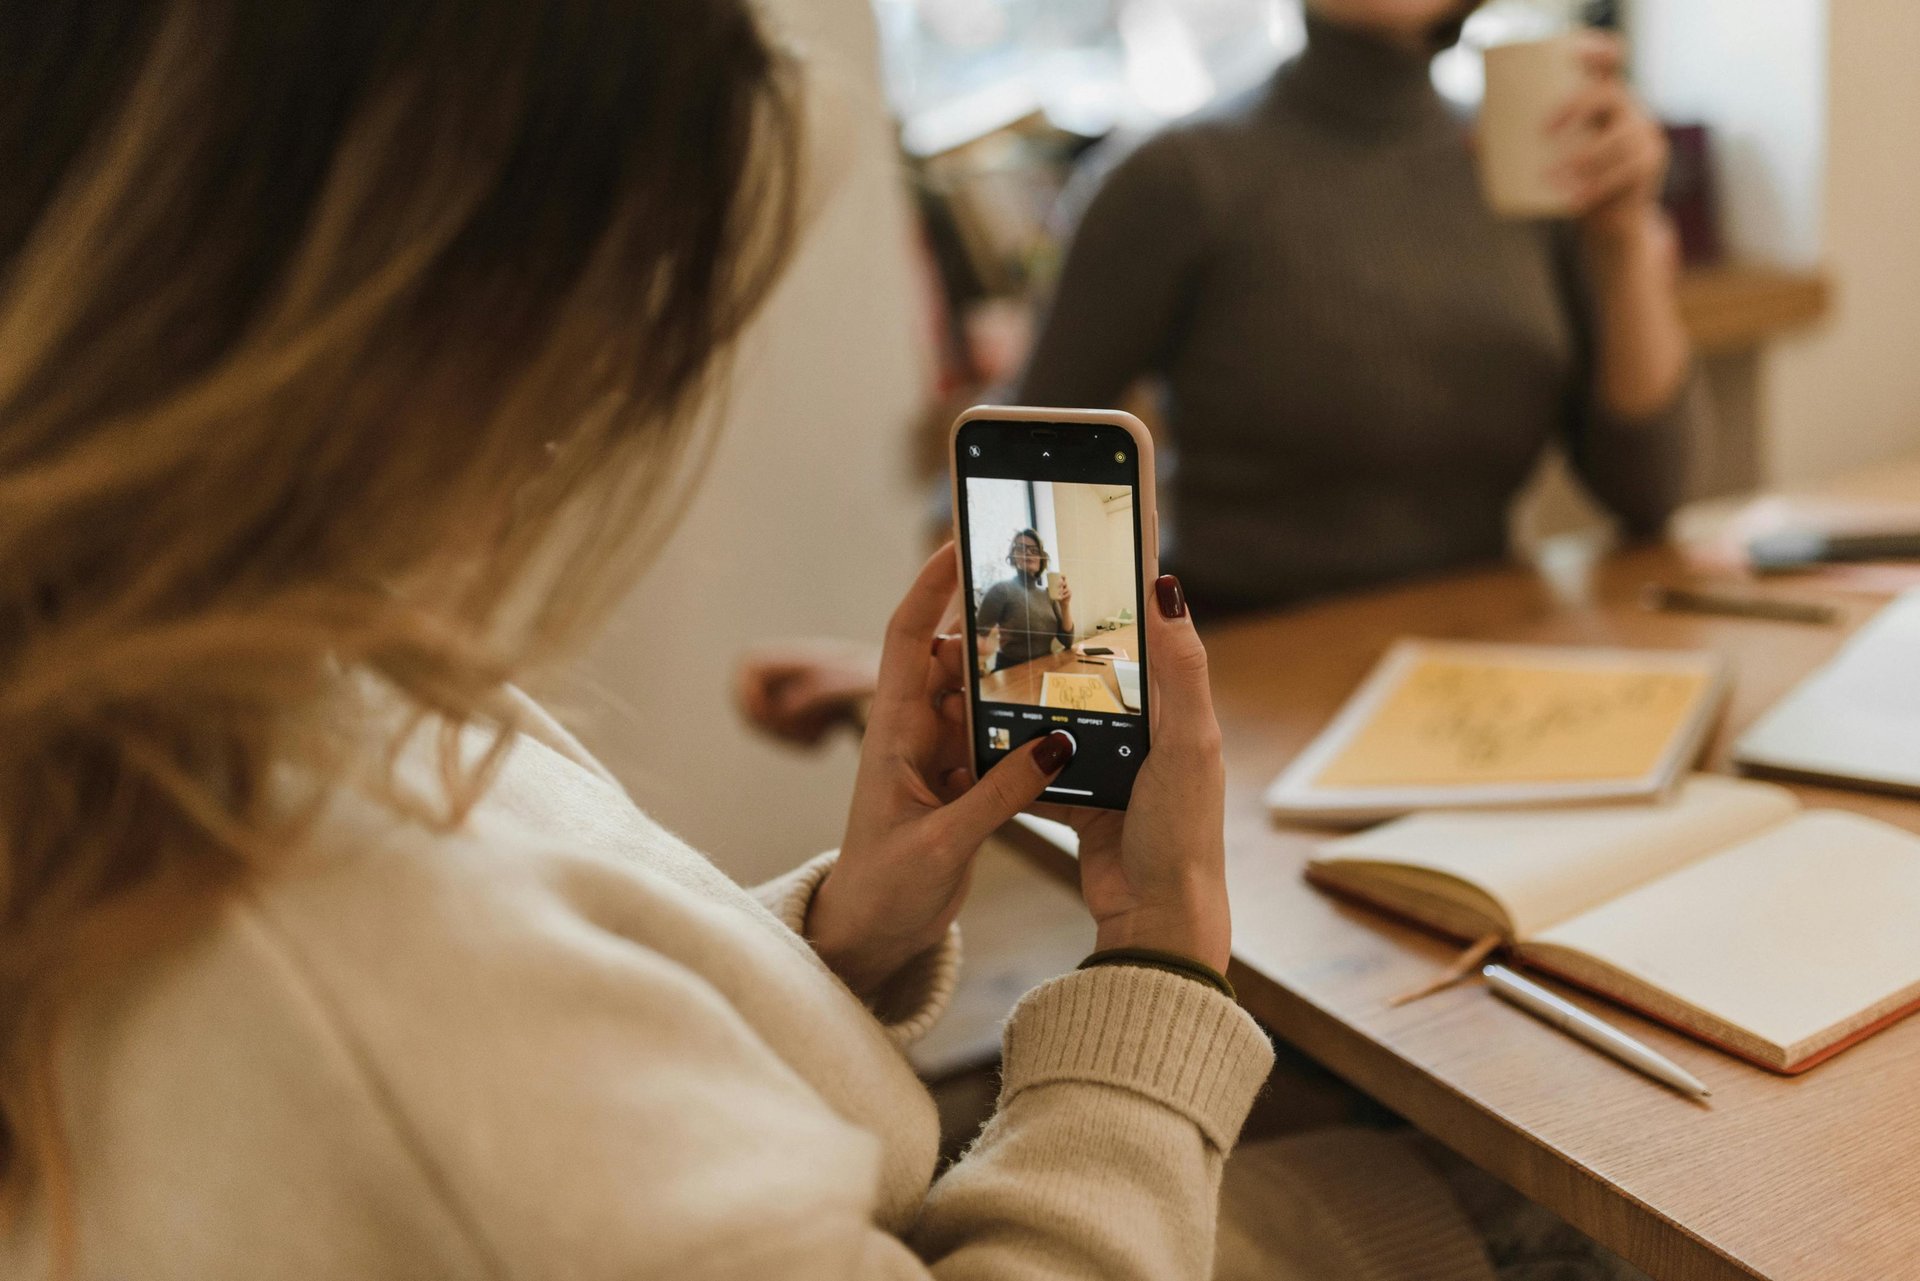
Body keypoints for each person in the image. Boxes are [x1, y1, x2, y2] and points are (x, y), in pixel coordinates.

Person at [0, 3, 1283, 1278]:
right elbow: (508, 1079)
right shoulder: (345, 964)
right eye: (590, 322)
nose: (569, 430)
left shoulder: (255, 672)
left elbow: (595, 1082)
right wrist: (1158, 951)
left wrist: (844, 939)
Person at [1018, 0, 1705, 616]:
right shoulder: (1179, 178)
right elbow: (1016, 470)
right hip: (1245, 672)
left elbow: (1647, 491)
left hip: (1475, 657)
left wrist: (1623, 241)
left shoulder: (1524, 167)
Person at [976, 528, 1074, 671]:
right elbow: (977, 636)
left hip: (1045, 669)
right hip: (1012, 673)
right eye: (1021, 548)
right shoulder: (1001, 590)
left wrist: (1065, 605)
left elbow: (1068, 641)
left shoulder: (1048, 595)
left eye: (1034, 550)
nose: (1028, 553)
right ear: (1013, 556)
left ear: (1041, 559)